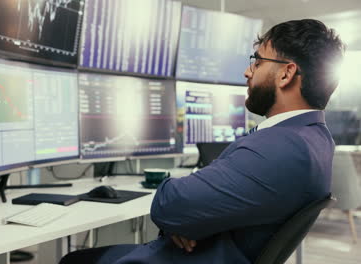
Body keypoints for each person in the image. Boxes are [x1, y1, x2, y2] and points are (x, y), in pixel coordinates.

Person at [60, 19, 345, 264]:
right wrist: (192, 216)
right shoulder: (315, 138)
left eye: (257, 61)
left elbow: (167, 205)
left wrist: (185, 215)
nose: (248, 72)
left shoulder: (282, 148)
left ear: (286, 73)